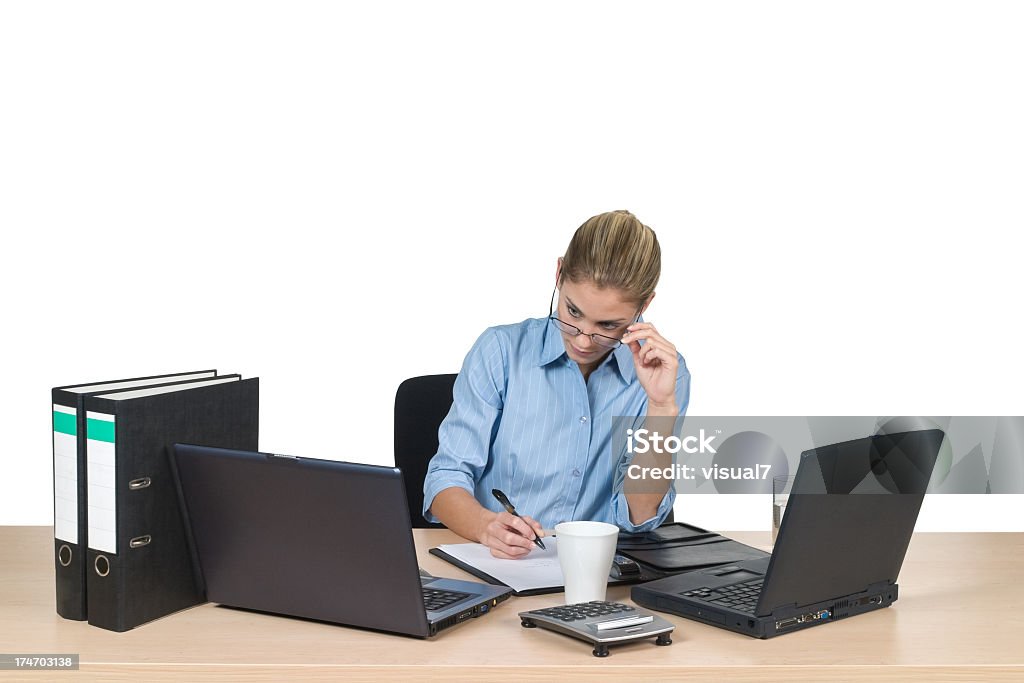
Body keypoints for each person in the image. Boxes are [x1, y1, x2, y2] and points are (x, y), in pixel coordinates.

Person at [423, 210, 690, 558]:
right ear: (559, 274)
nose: (583, 341)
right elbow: (445, 477)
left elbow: (640, 515)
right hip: (501, 568)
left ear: (645, 305)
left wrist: (661, 408)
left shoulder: (665, 375)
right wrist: (485, 526)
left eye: (608, 326)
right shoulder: (500, 352)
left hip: (600, 580)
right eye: (573, 313)